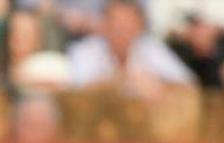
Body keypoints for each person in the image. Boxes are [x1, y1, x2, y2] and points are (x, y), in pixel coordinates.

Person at [68, 0, 196, 99]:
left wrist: (159, 86)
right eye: (117, 24)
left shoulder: (151, 48)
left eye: (128, 25)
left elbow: (190, 86)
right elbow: (74, 93)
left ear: (140, 26)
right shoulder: (84, 51)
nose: (122, 32)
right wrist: (121, 80)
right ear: (104, 24)